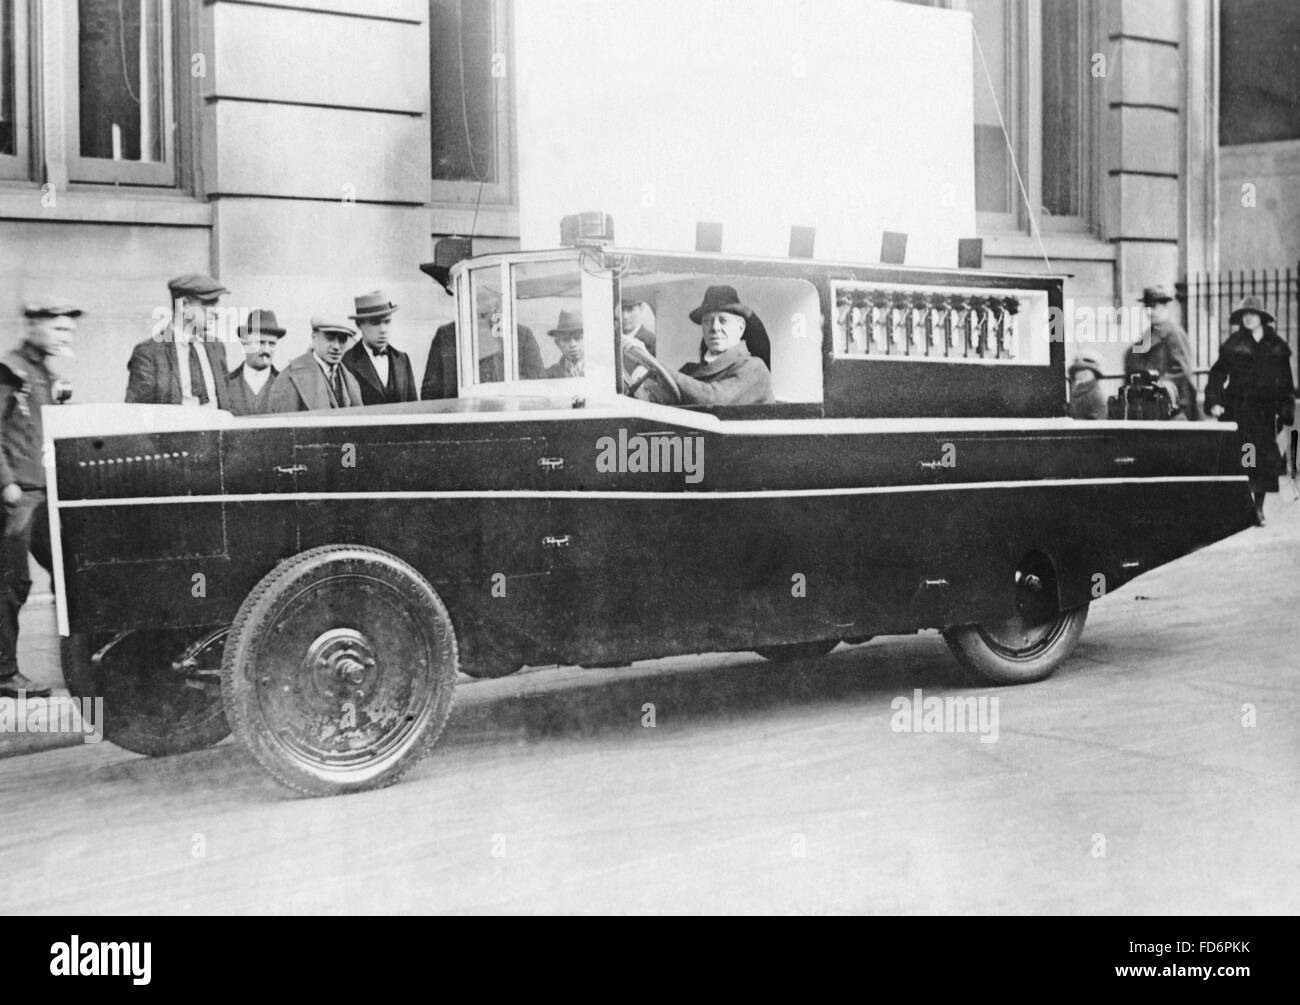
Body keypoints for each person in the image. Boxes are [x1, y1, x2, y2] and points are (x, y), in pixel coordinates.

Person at [0, 299, 81, 698]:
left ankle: (81, 666)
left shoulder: (44, 373)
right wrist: (5, 484)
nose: (65, 336)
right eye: (57, 329)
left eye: (68, 330)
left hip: (46, 492)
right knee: (13, 583)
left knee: (71, 575)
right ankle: (3, 674)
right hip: (18, 497)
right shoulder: (10, 371)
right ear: (33, 326)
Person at [1205, 295, 1296, 526]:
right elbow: (1217, 374)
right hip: (1240, 412)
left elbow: (1286, 383)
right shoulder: (1233, 346)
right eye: (1244, 315)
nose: (1248, 318)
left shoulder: (1276, 347)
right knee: (1247, 458)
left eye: (1252, 314)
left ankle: (1259, 507)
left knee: (1264, 462)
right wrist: (1215, 400)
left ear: (1261, 318)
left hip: (1265, 415)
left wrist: (1284, 411)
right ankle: (1250, 508)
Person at [627, 285, 774, 406]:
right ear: (703, 328)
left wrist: (656, 365)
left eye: (723, 320)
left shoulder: (754, 368)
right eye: (708, 321)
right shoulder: (690, 370)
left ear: (740, 328)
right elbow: (659, 397)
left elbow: (713, 399)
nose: (715, 327)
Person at [126, 274, 231, 408]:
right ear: (184, 305)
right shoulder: (149, 353)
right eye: (209, 304)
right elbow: (137, 412)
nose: (216, 312)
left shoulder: (217, 348)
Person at [1125, 284, 1199, 420]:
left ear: (1165, 307)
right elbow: (1133, 360)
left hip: (1174, 404)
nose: (1149, 312)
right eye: (1146, 307)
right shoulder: (1148, 335)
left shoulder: (1174, 334)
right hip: (1150, 404)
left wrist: (1159, 385)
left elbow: (1182, 369)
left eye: (1154, 307)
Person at [266, 318, 363, 412]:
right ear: (314, 337)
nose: (337, 346)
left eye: (342, 339)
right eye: (330, 337)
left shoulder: (350, 379)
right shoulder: (290, 377)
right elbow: (283, 426)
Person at [343, 291, 417, 405]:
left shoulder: (402, 359)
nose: (383, 329)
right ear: (359, 324)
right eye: (375, 323)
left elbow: (414, 407)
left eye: (387, 322)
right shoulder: (347, 361)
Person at [225, 309, 285, 416]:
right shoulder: (225, 384)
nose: (266, 350)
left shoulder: (286, 385)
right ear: (245, 343)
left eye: (272, 344)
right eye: (261, 343)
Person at [545, 308, 585, 378]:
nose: (573, 345)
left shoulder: (601, 370)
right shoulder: (548, 375)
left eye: (578, 338)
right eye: (566, 339)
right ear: (557, 343)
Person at [1067, 352, 1108, 420]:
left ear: (1094, 374)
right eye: (1077, 371)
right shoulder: (1078, 391)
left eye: (1084, 371)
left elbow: (1097, 417)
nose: (1080, 374)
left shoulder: (1095, 394)